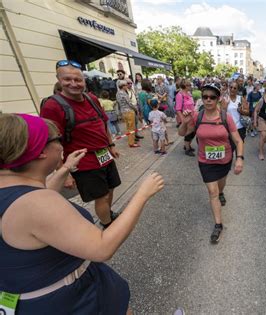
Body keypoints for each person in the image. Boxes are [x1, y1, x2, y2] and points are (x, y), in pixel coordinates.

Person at [0, 113, 164, 314]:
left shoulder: (16, 194)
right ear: (42, 151)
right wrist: (142, 194)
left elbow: (34, 201)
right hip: (70, 299)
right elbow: (102, 248)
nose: (62, 145)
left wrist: (65, 169)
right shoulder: (37, 204)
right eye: (58, 139)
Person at [41, 60, 123, 229]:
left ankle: (107, 213)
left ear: (84, 80)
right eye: (67, 79)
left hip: (104, 155)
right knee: (100, 196)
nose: (73, 84)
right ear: (59, 80)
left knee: (111, 188)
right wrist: (64, 172)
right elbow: (52, 143)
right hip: (84, 163)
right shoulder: (52, 106)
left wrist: (111, 145)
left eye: (78, 80)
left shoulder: (91, 98)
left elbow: (103, 123)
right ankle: (108, 225)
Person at [178, 84, 244, 244]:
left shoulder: (225, 117)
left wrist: (240, 158)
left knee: (221, 184)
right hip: (205, 161)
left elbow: (237, 140)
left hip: (224, 159)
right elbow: (182, 133)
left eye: (212, 97)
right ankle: (218, 224)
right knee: (212, 191)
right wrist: (185, 122)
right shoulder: (197, 116)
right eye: (205, 96)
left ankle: (222, 192)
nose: (208, 100)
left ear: (218, 99)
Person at [116, 80, 140, 148]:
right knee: (131, 128)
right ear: (123, 86)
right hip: (129, 111)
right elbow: (129, 103)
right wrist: (136, 109)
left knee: (128, 127)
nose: (127, 86)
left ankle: (131, 141)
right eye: (126, 85)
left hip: (123, 112)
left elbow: (118, 103)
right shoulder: (123, 93)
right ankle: (131, 143)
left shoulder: (117, 93)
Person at [176, 80, 196, 156]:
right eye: (189, 85)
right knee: (188, 133)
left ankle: (188, 145)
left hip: (192, 117)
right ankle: (187, 149)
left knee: (193, 132)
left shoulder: (189, 94)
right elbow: (178, 109)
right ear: (185, 86)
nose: (191, 86)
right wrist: (183, 120)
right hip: (186, 118)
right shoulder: (179, 95)